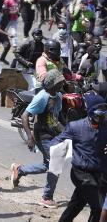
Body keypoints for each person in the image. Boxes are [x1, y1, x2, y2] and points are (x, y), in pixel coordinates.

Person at [10, 70, 64, 208]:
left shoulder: (58, 95)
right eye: (60, 82)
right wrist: (30, 137)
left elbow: (58, 116)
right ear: (52, 84)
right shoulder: (42, 97)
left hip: (54, 134)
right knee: (55, 164)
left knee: (48, 165)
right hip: (43, 135)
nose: (62, 83)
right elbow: (25, 116)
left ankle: (20, 170)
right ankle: (47, 197)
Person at [56, 93, 107, 222]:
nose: (102, 113)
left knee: (76, 204)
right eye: (98, 109)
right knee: (99, 208)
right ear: (90, 111)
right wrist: (50, 154)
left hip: (99, 174)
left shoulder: (105, 126)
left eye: (104, 109)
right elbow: (58, 142)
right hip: (81, 173)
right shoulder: (76, 127)